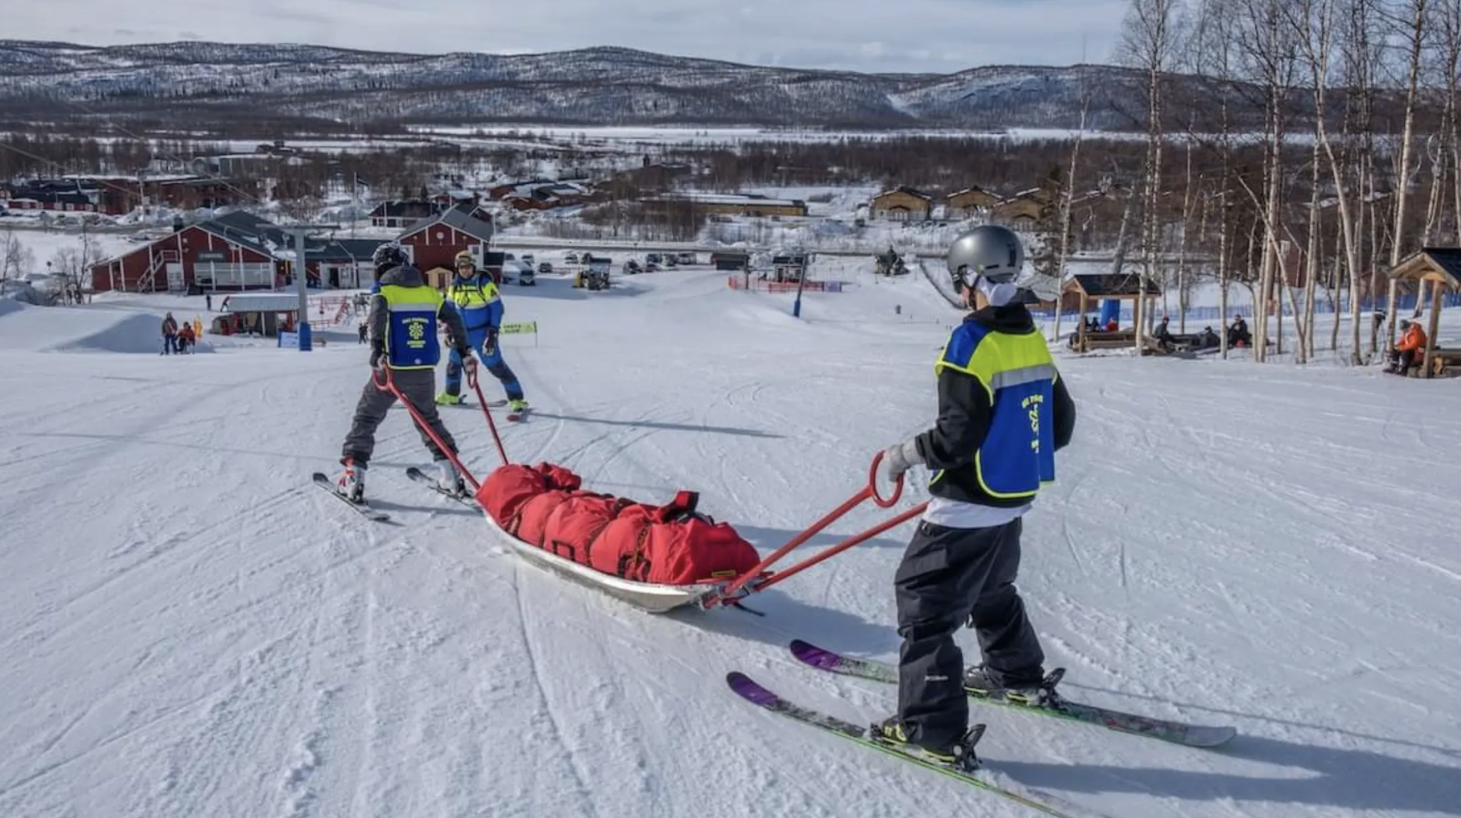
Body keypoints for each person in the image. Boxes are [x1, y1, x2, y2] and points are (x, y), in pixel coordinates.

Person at [872, 225, 1077, 768]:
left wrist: (905, 454)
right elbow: (1060, 427)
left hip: (964, 505)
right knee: (990, 589)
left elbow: (956, 438)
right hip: (1012, 497)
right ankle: (1017, 675)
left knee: (924, 606)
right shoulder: (1027, 335)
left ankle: (930, 728)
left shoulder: (970, 341)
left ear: (970, 278)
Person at [336, 243, 475, 502]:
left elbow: (377, 320)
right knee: (428, 421)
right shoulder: (430, 293)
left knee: (366, 417)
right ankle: (451, 475)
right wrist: (465, 349)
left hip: (390, 370)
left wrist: (377, 350)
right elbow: (454, 319)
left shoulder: (385, 293)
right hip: (423, 370)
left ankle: (353, 476)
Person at [436, 250, 527, 413]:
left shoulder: (484, 284)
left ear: (473, 266)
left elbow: (497, 308)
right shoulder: (454, 286)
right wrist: (448, 329)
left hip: (482, 333)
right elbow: (449, 309)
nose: (465, 270)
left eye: (468, 266)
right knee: (454, 365)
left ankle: (517, 399)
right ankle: (451, 394)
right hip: (461, 334)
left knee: (495, 366)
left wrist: (492, 332)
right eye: (461, 267)